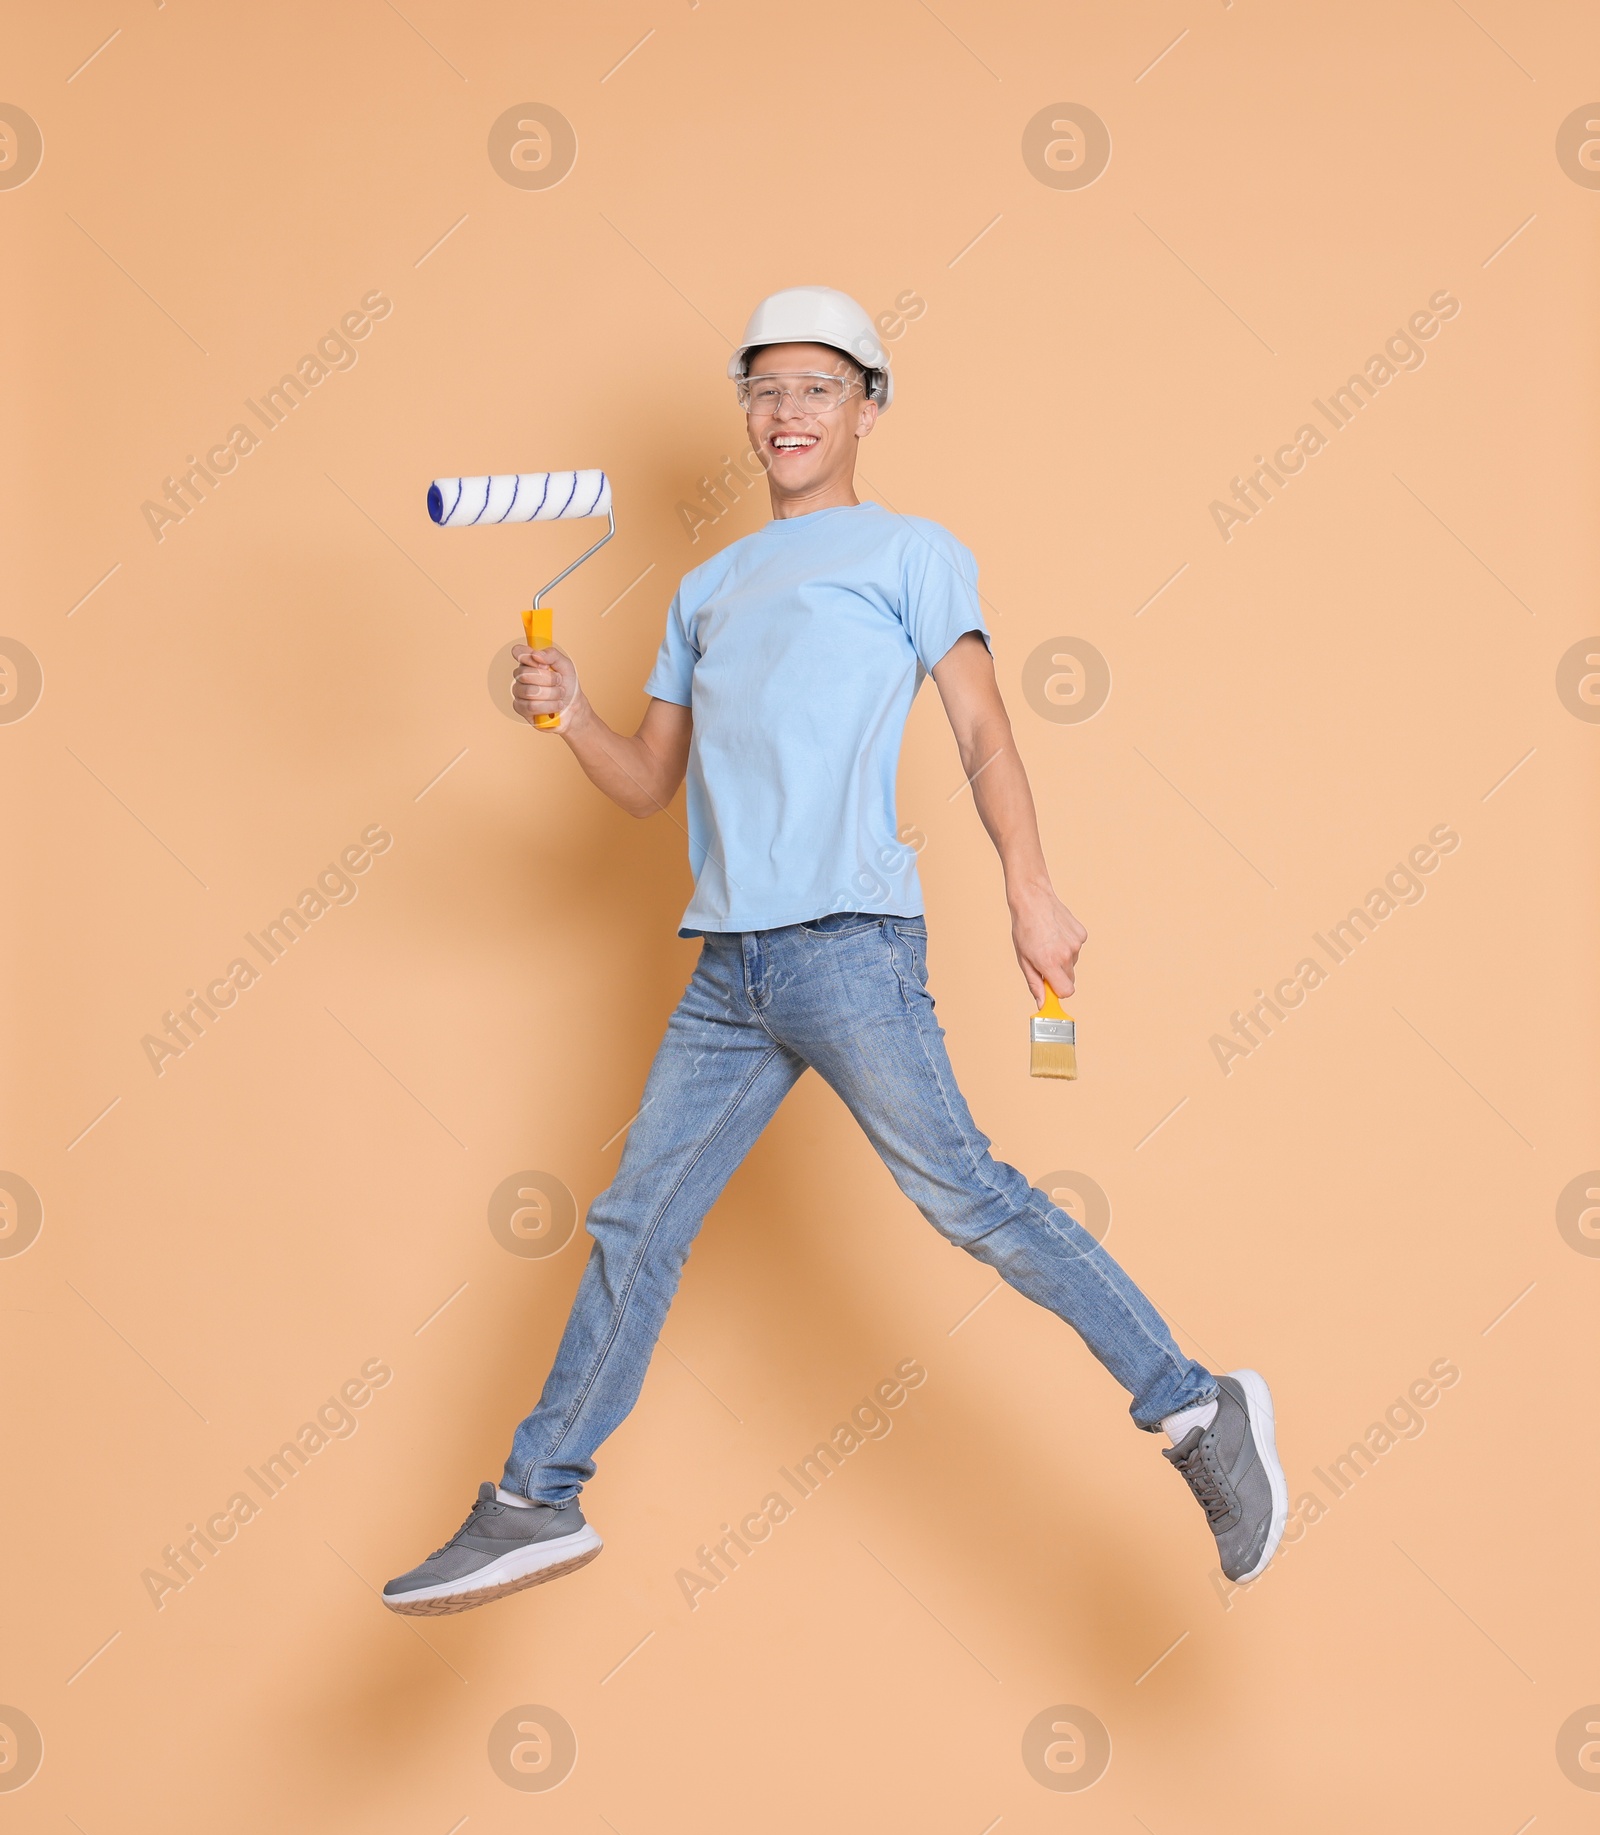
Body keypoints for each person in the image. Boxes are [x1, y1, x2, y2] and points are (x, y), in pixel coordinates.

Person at [383, 286, 1286, 1617]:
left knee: (969, 1197)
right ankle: (536, 1497)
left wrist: (1029, 891)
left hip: (847, 946)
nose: (787, 411)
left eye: (817, 386)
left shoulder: (912, 553)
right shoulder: (702, 590)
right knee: (636, 1220)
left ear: (869, 404)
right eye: (765, 388)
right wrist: (569, 711)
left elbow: (983, 733)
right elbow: (645, 787)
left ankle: (1198, 1406)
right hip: (727, 971)